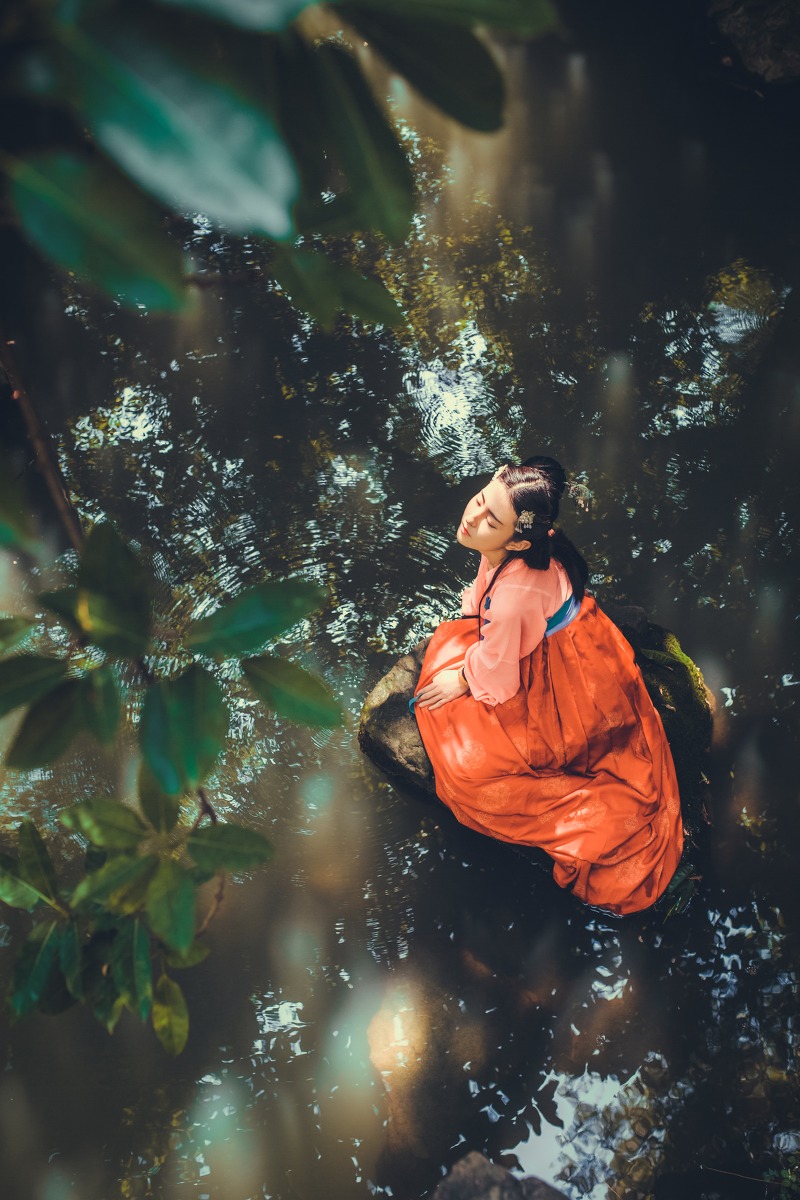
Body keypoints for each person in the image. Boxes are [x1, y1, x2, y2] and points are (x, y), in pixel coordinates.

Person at [412, 456, 683, 915]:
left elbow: (497, 677)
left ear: (518, 538)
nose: (472, 517)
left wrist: (462, 678)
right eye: (480, 501)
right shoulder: (533, 545)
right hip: (584, 647)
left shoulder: (514, 596)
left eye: (489, 519)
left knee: (467, 768)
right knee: (453, 653)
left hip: (563, 680)